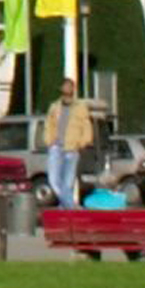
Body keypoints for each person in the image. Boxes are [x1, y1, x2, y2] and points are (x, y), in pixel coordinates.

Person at [40, 80, 95, 208]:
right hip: (56, 147)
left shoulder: (80, 107)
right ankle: (71, 206)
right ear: (61, 88)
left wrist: (82, 143)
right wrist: (49, 140)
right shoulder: (54, 106)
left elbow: (86, 127)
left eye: (69, 86)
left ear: (73, 89)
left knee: (68, 182)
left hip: (72, 148)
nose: (67, 88)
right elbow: (49, 125)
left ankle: (65, 208)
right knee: (53, 179)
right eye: (65, 86)